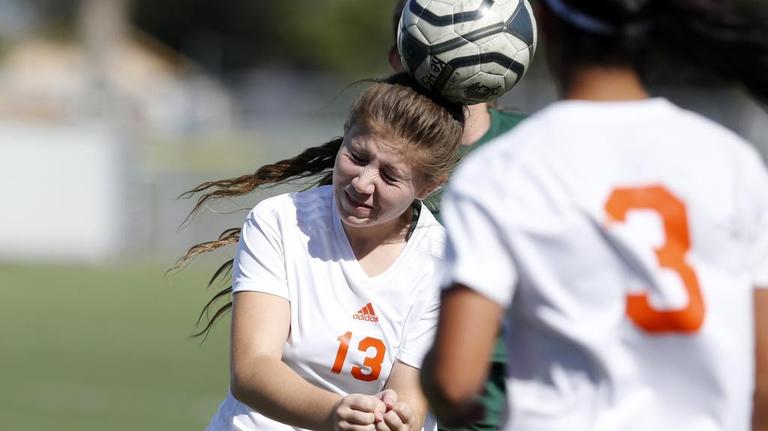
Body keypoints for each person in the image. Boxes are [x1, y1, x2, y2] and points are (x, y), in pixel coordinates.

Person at [421, 1, 768, 430]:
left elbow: (455, 382)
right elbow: (761, 375)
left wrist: (444, 392)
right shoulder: (731, 160)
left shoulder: (504, 170)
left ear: (543, 25)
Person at [178, 72, 465, 430]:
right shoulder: (279, 221)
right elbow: (252, 369)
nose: (362, 183)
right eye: (357, 157)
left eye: (390, 177)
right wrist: (335, 413)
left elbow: (410, 395)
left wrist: (398, 418)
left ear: (430, 185)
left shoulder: (443, 262)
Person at [388, 2, 527, 430]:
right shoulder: (376, 154)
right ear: (400, 54)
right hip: (397, 378)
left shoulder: (532, 149)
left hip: (513, 381)